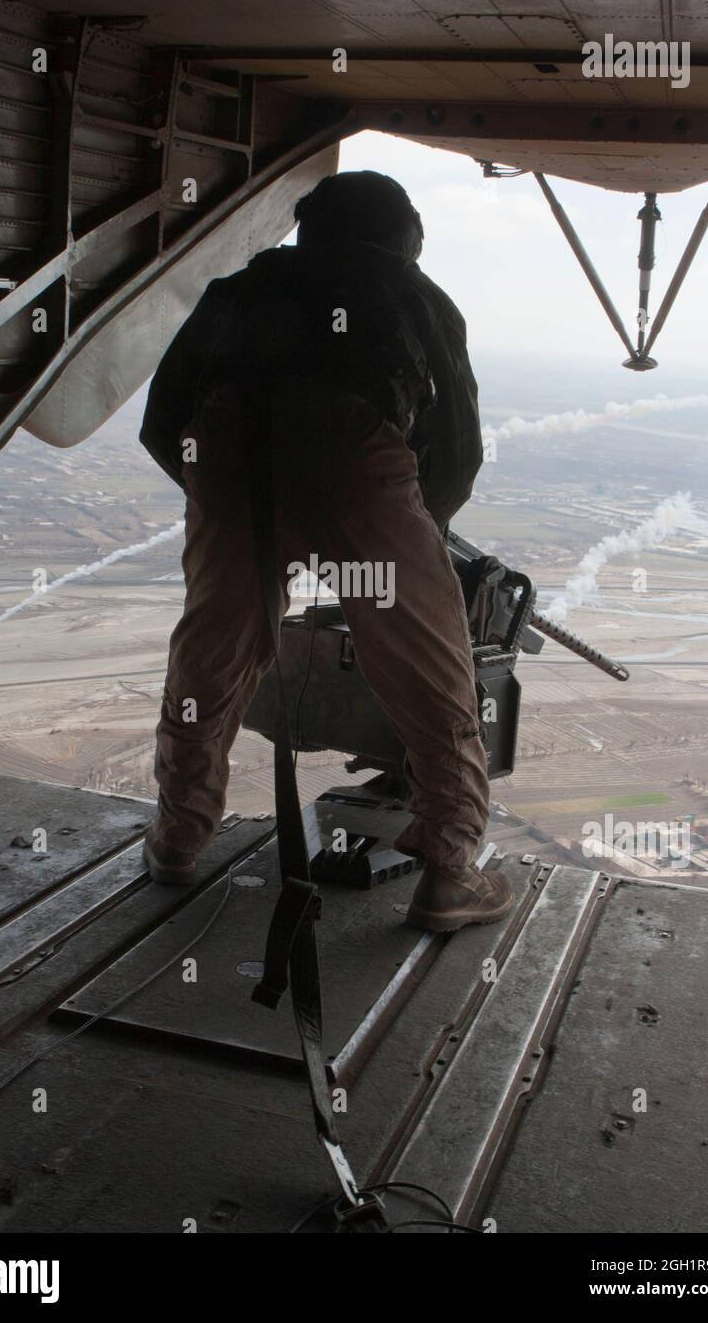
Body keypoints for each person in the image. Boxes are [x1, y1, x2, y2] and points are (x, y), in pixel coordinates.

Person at [139, 169, 514, 932]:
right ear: (401, 234)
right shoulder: (416, 296)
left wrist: (224, 502)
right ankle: (448, 872)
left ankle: (179, 838)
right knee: (429, 671)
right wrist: (407, 526)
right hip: (357, 472)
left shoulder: (236, 291)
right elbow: (459, 453)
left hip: (233, 460)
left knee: (208, 658)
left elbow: (162, 420)